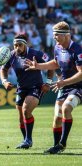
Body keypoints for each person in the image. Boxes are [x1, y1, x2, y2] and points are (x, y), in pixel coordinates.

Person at [24, 21, 82, 154]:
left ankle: (62, 144)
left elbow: (81, 74)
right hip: (64, 85)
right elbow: (56, 63)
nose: (54, 37)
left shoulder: (77, 50)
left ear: (66, 35)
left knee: (66, 108)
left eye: (56, 35)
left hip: (78, 86)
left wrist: (64, 82)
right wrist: (38, 66)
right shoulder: (57, 47)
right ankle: (57, 146)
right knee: (57, 117)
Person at [0, 34, 53, 149]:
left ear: (25, 44)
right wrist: (4, 81)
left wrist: (48, 82)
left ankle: (28, 140)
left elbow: (51, 66)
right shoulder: (12, 55)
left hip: (35, 87)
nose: (17, 47)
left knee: (25, 110)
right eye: (15, 45)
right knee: (21, 117)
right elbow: (3, 69)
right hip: (21, 88)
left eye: (19, 45)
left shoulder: (36, 54)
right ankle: (26, 140)